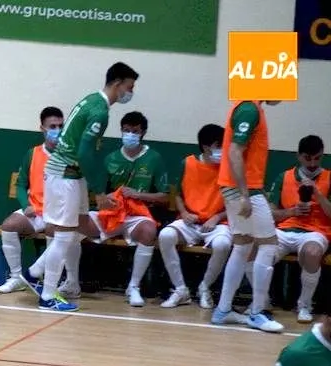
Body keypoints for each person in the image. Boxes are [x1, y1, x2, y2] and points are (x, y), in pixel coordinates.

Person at [37, 61, 139, 312]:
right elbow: (84, 153)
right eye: (129, 87)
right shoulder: (100, 112)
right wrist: (100, 192)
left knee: (77, 227)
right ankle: (47, 296)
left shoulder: (91, 99)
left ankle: (34, 272)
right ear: (117, 83)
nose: (130, 93)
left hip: (70, 175)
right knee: (62, 236)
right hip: (66, 175)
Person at [211, 99, 284, 333]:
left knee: (243, 245)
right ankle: (257, 312)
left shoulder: (249, 107)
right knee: (269, 244)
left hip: (238, 187)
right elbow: (234, 151)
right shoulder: (249, 109)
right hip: (242, 189)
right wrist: (245, 193)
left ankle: (222, 310)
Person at [86, 111, 169, 307]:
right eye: (126, 131)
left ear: (143, 133)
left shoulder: (154, 158)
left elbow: (165, 197)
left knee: (149, 231)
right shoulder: (110, 158)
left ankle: (133, 287)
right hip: (112, 214)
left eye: (135, 131)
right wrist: (105, 199)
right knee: (76, 222)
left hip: (137, 216)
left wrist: (139, 195)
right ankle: (69, 281)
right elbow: (99, 196)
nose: (130, 135)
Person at [0, 106, 79, 298]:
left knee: (56, 232)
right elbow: (20, 185)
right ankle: (17, 277)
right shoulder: (32, 154)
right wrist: (26, 204)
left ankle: (51, 282)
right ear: (42, 128)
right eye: (53, 126)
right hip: (36, 211)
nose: (57, 130)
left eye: (61, 126)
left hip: (59, 214)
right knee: (9, 226)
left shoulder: (71, 154)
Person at [156, 124, 231, 309]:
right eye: (219, 145)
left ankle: (205, 287)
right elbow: (178, 194)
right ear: (206, 147)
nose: (223, 149)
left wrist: (216, 217)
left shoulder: (229, 168)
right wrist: (184, 213)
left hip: (217, 222)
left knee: (223, 244)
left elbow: (234, 201)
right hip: (190, 221)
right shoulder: (187, 163)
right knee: (165, 236)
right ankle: (181, 290)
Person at [267, 135, 331, 323]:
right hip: (285, 229)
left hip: (315, 232)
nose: (312, 163)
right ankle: (260, 302)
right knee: (256, 250)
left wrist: (319, 196)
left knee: (312, 252)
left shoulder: (329, 177)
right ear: (298, 156)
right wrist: (291, 211)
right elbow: (271, 213)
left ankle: (304, 304)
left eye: (317, 158)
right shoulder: (284, 176)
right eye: (307, 158)